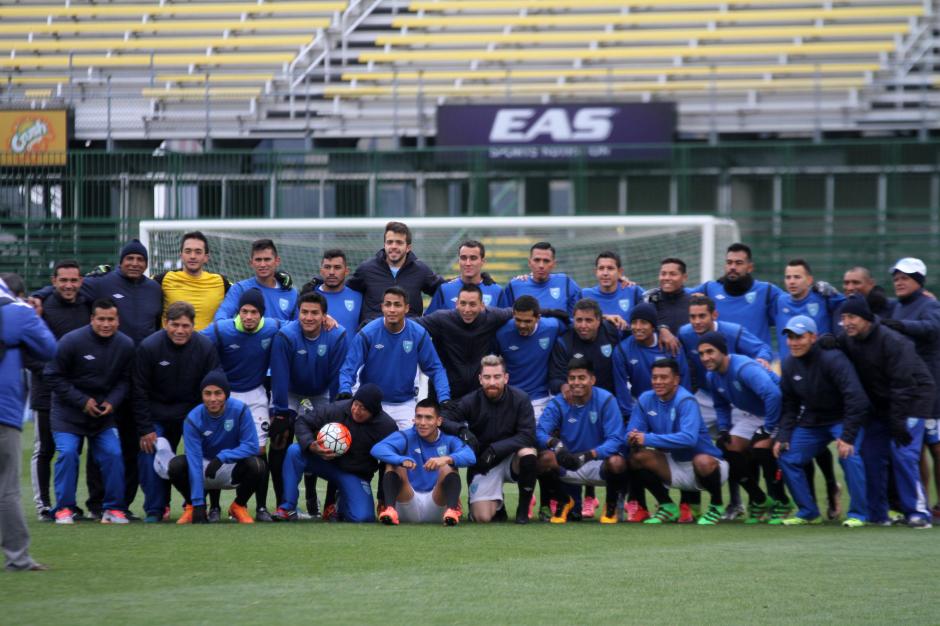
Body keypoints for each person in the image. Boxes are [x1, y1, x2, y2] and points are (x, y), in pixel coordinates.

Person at [834, 295, 935, 528]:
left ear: (866, 318)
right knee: (870, 456)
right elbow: (834, 344)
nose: (847, 323)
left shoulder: (893, 341)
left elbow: (903, 385)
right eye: (843, 318)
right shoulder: (849, 338)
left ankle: (918, 513)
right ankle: (878, 514)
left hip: (912, 400)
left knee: (903, 454)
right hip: (882, 406)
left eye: (852, 317)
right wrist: (827, 341)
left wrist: (898, 421)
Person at [44, 299, 135, 524]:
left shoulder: (125, 345)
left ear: (118, 320)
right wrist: (82, 401)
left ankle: (113, 509)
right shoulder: (71, 341)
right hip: (68, 413)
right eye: (101, 319)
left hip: (103, 416)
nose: (106, 324)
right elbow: (52, 375)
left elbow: (125, 380)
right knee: (67, 453)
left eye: (111, 319)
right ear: (92, 319)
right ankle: (64, 508)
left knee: (113, 453)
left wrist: (112, 401)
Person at [774, 316, 870, 527]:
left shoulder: (833, 359)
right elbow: (790, 404)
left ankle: (859, 514)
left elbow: (856, 398)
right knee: (786, 457)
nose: (793, 342)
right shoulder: (788, 364)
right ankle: (808, 512)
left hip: (842, 418)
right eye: (790, 337)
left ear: (813, 337)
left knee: (848, 454)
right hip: (812, 421)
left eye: (799, 337)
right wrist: (783, 436)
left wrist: (847, 436)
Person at [134, 301, 221, 523]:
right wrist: (145, 428)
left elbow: (214, 384)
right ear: (165, 323)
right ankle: (155, 509)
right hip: (157, 414)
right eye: (175, 325)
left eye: (185, 325)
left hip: (192, 415)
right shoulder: (149, 347)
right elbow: (139, 390)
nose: (180, 330)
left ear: (193, 325)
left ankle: (194, 503)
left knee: (202, 453)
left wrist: (208, 422)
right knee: (149, 451)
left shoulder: (205, 347)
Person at [202, 288, 282, 521]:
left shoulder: (273, 326)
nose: (248, 316)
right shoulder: (221, 329)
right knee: (217, 447)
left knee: (259, 451)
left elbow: (298, 326)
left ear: (262, 314)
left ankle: (257, 507)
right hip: (225, 395)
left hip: (256, 395)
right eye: (244, 311)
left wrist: (326, 319)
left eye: (254, 312)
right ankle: (214, 507)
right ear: (238, 312)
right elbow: (195, 339)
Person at [697, 331, 791, 524]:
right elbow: (721, 405)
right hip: (755, 414)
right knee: (726, 446)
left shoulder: (744, 368)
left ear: (723, 351)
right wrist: (724, 428)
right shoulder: (712, 376)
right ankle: (760, 499)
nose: (705, 358)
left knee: (762, 449)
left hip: (779, 411)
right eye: (701, 353)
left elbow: (774, 395)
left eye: (710, 352)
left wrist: (768, 429)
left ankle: (782, 501)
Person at [269, 290, 348, 517]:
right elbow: (280, 376)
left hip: (321, 393)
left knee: (331, 438)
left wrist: (336, 410)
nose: (309, 317)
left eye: (315, 313)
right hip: (291, 392)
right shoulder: (285, 336)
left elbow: (337, 375)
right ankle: (283, 503)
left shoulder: (337, 335)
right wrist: (280, 412)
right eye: (304, 312)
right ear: (298, 313)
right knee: (280, 436)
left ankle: (329, 503)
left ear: (324, 316)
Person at [26, 260, 95, 521]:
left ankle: (70, 505)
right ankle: (44, 506)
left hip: (76, 394)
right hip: (46, 392)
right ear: (53, 281)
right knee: (45, 449)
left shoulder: (87, 305)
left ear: (81, 281)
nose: (69, 285)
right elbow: (28, 353)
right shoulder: (39, 308)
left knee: (73, 451)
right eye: (63, 280)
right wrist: (55, 374)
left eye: (73, 280)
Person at [626, 358, 729, 525]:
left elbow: (689, 439)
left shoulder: (686, 400)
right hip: (674, 465)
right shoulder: (645, 399)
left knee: (702, 461)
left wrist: (647, 438)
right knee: (637, 457)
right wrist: (632, 437)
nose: (658, 382)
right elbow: (632, 431)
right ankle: (667, 506)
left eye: (663, 377)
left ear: (675, 380)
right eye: (654, 377)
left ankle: (716, 505)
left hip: (708, 466)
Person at [275, 384, 397, 522]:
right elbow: (303, 422)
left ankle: (338, 506)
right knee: (295, 451)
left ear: (373, 412)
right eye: (356, 404)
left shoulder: (387, 427)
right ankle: (287, 507)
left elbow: (387, 463)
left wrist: (382, 498)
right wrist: (310, 445)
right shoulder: (337, 409)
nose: (357, 410)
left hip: (355, 473)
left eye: (363, 408)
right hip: (326, 462)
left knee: (363, 517)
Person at [0, 275, 56, 570]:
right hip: (3, 412)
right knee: (7, 489)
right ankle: (18, 558)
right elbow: (49, 349)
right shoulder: (18, 312)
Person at [440, 355, 537, 524]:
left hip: (511, 459)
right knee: (481, 517)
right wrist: (462, 431)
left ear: (506, 378)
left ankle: (523, 510)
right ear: (480, 379)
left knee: (528, 453)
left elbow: (527, 435)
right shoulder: (471, 400)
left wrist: (495, 449)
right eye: (487, 377)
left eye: (497, 377)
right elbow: (443, 419)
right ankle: (498, 506)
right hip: (485, 464)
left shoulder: (521, 398)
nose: (492, 382)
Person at [547, 298, 621, 518]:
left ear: (599, 320)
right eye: (579, 320)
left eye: (589, 320)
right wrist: (565, 387)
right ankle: (572, 503)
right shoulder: (564, 342)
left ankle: (617, 502)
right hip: (576, 404)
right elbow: (554, 377)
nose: (583, 325)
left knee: (617, 455)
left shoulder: (612, 332)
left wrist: (662, 330)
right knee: (572, 447)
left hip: (607, 405)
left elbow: (635, 338)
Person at [337, 287, 450, 430]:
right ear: (382, 307)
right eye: (388, 304)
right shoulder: (368, 333)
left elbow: (435, 368)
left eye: (397, 305)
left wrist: (444, 397)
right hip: (370, 404)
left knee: (411, 441)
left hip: (404, 403)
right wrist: (345, 389)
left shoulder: (418, 334)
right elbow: (349, 367)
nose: (392, 309)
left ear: (406, 308)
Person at [167, 371, 266, 524]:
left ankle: (238, 506)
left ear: (226, 394)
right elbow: (194, 461)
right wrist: (198, 503)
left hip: (230, 465)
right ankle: (191, 507)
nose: (213, 399)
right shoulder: (193, 418)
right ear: (202, 395)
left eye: (218, 393)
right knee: (175, 466)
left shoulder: (240, 410)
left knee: (258, 466)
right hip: (202, 467)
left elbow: (252, 446)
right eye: (207, 393)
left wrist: (223, 457)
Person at [536, 358, 628, 524]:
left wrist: (590, 454)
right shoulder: (559, 402)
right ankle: (564, 501)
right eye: (572, 378)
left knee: (617, 462)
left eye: (582, 378)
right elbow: (539, 432)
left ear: (592, 380)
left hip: (598, 463)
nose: (576, 383)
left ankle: (611, 505)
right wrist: (555, 444)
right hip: (569, 462)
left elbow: (616, 439)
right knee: (543, 459)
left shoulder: (606, 400)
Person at [882, 258, 940, 519]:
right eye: (896, 278)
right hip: (908, 390)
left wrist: (903, 326)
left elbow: (932, 327)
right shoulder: (896, 307)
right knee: (916, 452)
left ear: (919, 281)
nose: (899, 282)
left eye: (905, 277)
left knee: (936, 448)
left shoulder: (930, 304)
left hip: (932, 389)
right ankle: (922, 502)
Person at [372, 399, 476, 525]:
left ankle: (452, 511)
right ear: (414, 419)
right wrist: (400, 459)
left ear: (439, 421)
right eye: (419, 417)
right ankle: (390, 510)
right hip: (407, 502)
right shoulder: (406, 436)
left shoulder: (449, 439)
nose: (422, 423)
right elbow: (377, 449)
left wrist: (446, 458)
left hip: (437, 504)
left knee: (449, 466)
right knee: (393, 465)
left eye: (428, 418)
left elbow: (471, 456)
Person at [416, 283, 521, 400]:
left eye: (472, 304)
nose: (467, 310)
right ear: (456, 304)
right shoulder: (441, 319)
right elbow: (411, 325)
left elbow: (519, 311)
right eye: (463, 303)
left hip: (477, 396)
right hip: (445, 393)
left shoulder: (492, 317)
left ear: (482, 306)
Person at [346, 221, 444, 321]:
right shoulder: (366, 269)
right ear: (384, 245)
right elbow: (342, 291)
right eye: (390, 242)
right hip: (374, 330)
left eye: (399, 242)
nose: (393, 246)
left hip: (408, 330)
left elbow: (445, 289)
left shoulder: (421, 270)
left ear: (408, 248)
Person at [696, 243, 784, 347]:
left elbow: (793, 303)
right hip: (722, 357)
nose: (732, 267)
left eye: (738, 263)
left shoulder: (767, 291)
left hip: (756, 357)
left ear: (750, 267)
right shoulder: (709, 289)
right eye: (729, 262)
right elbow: (682, 295)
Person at [612, 303, 691, 418]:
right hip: (639, 405)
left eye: (643, 322)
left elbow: (684, 379)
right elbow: (621, 388)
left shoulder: (671, 344)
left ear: (653, 326)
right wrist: (629, 415)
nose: (638, 327)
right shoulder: (622, 350)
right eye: (634, 322)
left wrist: (682, 408)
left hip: (670, 404)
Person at [494, 296, 564, 421]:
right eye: (518, 320)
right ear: (513, 315)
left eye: (527, 321)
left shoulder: (552, 327)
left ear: (538, 318)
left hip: (541, 399)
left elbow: (578, 326)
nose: (522, 325)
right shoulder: (502, 333)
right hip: (510, 399)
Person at [155, 231, 230, 330]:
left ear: (206, 257)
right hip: (172, 339)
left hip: (208, 340)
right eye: (188, 251)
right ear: (181, 255)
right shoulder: (163, 279)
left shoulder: (221, 282)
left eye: (198, 252)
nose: (192, 256)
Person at [772, 259, 844, 360]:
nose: (791, 281)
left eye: (797, 277)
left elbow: (849, 305)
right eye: (788, 277)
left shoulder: (823, 297)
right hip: (788, 367)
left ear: (809, 280)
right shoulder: (779, 302)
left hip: (820, 365)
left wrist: (834, 293)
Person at [214, 239, 297, 322]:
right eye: (258, 260)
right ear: (251, 263)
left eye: (267, 259)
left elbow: (298, 325)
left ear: (277, 261)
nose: (262, 264)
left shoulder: (291, 293)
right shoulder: (239, 289)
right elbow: (220, 318)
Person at [498, 242, 581, 315]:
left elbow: (577, 317)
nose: (541, 265)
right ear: (529, 262)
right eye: (537, 260)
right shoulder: (515, 285)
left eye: (546, 261)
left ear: (554, 264)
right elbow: (506, 317)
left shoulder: (566, 283)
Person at [426, 240, 503, 313]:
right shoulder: (444, 290)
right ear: (458, 261)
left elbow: (506, 319)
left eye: (473, 258)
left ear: (482, 261)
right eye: (463, 258)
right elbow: (429, 320)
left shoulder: (496, 291)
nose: (468, 263)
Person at [300, 249, 363, 333]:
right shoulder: (308, 297)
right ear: (321, 271)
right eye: (327, 267)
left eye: (337, 267)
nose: (331, 272)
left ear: (346, 271)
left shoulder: (358, 297)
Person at [643, 257, 692, 355]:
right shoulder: (649, 299)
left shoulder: (693, 302)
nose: (666, 278)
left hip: (686, 358)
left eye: (673, 274)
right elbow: (638, 326)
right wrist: (661, 328)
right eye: (663, 274)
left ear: (684, 277)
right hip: (655, 358)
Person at [580, 251, 645, 323]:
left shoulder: (633, 291)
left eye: (610, 268)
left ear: (620, 272)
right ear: (596, 272)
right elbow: (574, 320)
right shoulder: (584, 295)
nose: (605, 273)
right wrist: (604, 317)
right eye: (601, 268)